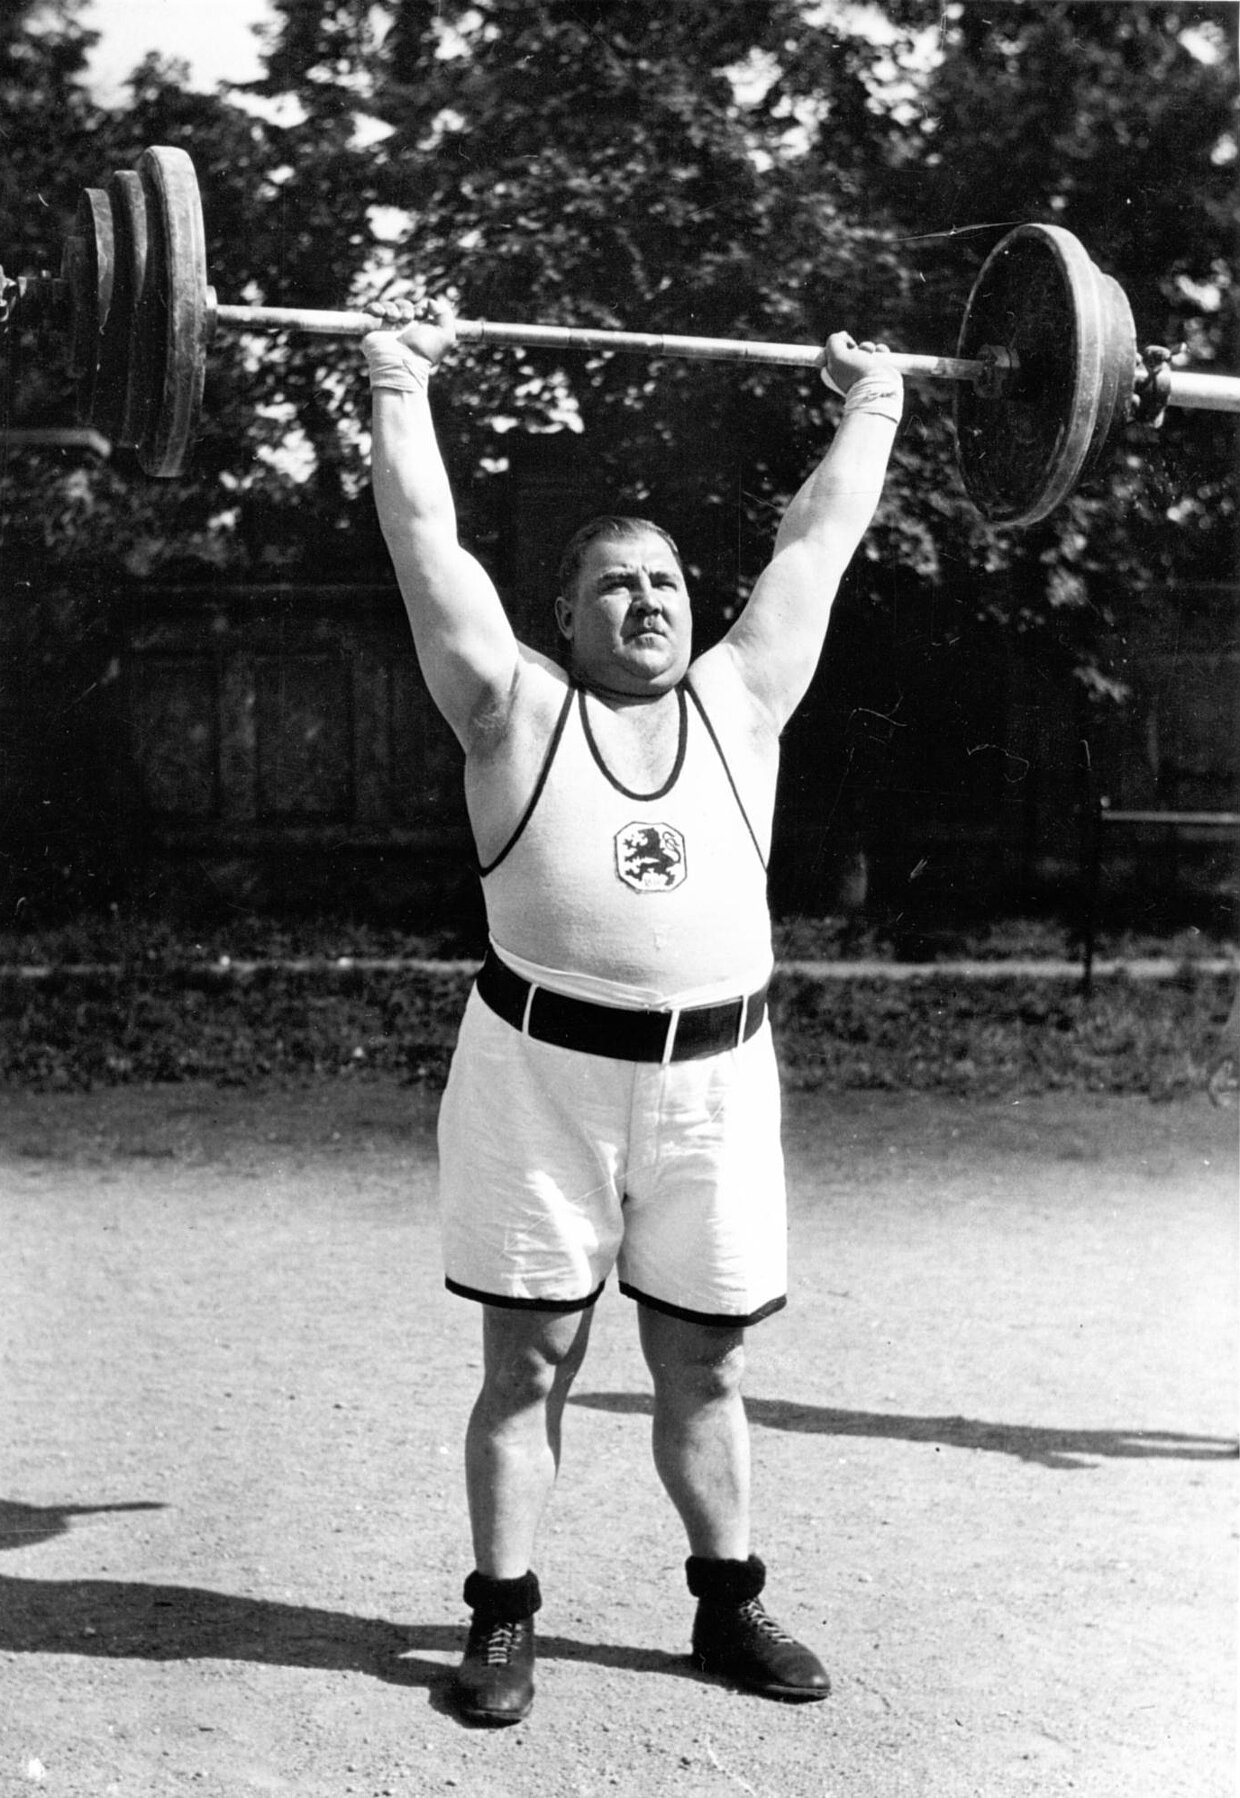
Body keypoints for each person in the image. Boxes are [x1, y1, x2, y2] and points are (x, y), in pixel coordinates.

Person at [361, 295, 903, 1725]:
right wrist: (398, 377)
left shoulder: (743, 703)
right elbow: (429, 552)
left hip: (715, 1085)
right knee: (531, 1358)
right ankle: (502, 1620)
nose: (648, 602)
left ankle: (729, 1605)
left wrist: (876, 404)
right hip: (538, 1076)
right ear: (566, 615)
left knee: (705, 1360)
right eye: (614, 585)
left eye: (664, 580)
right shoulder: (513, 713)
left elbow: (815, 545)